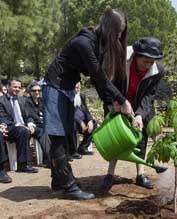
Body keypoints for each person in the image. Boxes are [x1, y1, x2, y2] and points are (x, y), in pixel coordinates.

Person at [42, 8, 133, 200]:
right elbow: (100, 77)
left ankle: (58, 180)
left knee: (65, 136)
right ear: (109, 28)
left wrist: (110, 103)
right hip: (54, 85)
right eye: (118, 31)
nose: (118, 36)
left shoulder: (97, 44)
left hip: (66, 88)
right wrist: (123, 101)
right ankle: (68, 187)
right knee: (58, 137)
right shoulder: (84, 43)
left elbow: (96, 79)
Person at [101, 36, 166, 191]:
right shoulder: (120, 60)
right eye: (145, 61)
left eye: (152, 62)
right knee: (115, 138)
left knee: (141, 137)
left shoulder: (158, 71)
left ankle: (140, 175)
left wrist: (139, 115)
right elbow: (106, 83)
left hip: (140, 105)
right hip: (117, 102)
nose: (148, 65)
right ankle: (110, 174)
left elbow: (149, 95)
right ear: (136, 55)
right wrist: (113, 103)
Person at [0, 79, 38, 173]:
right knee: (22, 130)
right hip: (9, 127)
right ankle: (21, 164)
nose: (17, 89)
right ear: (8, 86)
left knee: (40, 130)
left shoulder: (22, 100)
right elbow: (3, 118)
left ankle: (47, 159)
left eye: (19, 87)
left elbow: (28, 116)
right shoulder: (1, 101)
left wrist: (30, 124)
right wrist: (18, 125)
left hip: (23, 127)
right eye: (15, 87)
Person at [25, 81, 51, 168]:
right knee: (44, 132)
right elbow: (30, 115)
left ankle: (59, 156)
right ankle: (48, 160)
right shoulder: (27, 102)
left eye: (39, 90)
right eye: (34, 90)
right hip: (34, 125)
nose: (37, 92)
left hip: (44, 124)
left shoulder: (42, 100)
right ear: (30, 92)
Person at [73, 82, 97, 156]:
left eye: (79, 87)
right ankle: (73, 151)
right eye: (76, 88)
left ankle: (82, 147)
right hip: (74, 121)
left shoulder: (81, 96)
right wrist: (80, 122)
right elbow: (70, 113)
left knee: (94, 123)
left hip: (83, 121)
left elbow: (86, 110)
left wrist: (90, 120)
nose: (78, 89)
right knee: (72, 125)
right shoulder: (69, 97)